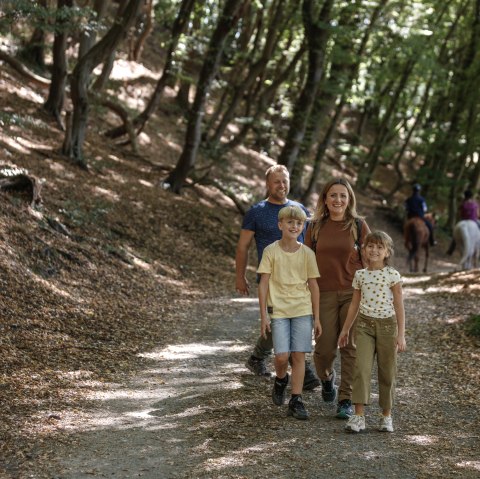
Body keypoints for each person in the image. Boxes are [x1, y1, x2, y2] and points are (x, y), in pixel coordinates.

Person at [235, 164, 321, 389]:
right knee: (277, 323)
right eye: (276, 181)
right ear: (267, 184)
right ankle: (305, 371)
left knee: (288, 322)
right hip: (270, 278)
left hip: (297, 280)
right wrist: (239, 275)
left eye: (285, 181)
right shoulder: (257, 211)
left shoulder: (299, 209)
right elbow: (243, 246)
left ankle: (257, 357)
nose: (281, 185)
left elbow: (310, 243)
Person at [305, 178, 370, 419]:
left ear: (349, 199)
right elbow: (306, 262)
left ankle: (345, 399)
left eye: (343, 195)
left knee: (350, 347)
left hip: (353, 294)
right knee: (323, 350)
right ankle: (327, 378)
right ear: (325, 199)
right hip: (323, 294)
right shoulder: (315, 227)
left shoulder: (359, 225)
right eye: (333, 195)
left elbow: (373, 258)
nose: (338, 200)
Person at [338, 231, 406, 433]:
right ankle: (358, 416)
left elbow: (399, 305)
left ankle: (386, 416)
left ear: (387, 252)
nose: (374, 250)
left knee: (387, 371)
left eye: (379, 247)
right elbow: (354, 304)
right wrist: (345, 329)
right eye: (370, 246)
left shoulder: (392, 275)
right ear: (364, 250)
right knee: (362, 369)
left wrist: (401, 334)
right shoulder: (360, 275)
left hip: (387, 326)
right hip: (365, 326)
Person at [258, 205, 321, 419]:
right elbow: (263, 284)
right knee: (282, 356)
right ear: (280, 225)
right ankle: (281, 379)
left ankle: (296, 399)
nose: (294, 226)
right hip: (279, 311)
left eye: (299, 223)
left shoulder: (307, 254)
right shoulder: (270, 251)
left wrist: (317, 317)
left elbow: (314, 286)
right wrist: (263, 315)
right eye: (290, 222)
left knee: (298, 355)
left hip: (302, 309)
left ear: (302, 227)